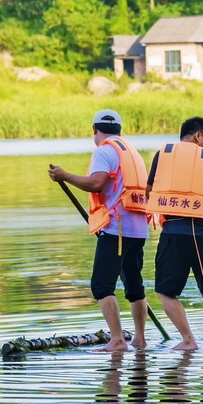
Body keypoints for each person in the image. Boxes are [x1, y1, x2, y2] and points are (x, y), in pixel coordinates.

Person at [47, 109, 152, 353]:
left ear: (94, 129)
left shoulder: (104, 150)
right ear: (120, 129)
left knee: (102, 286)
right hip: (138, 229)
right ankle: (139, 339)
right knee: (134, 286)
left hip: (116, 229)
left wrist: (65, 175)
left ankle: (117, 340)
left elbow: (96, 183)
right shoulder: (131, 151)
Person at [145, 116, 203, 352]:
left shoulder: (163, 154)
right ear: (198, 136)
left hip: (174, 232)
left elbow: (150, 190)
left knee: (165, 291)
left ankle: (188, 339)